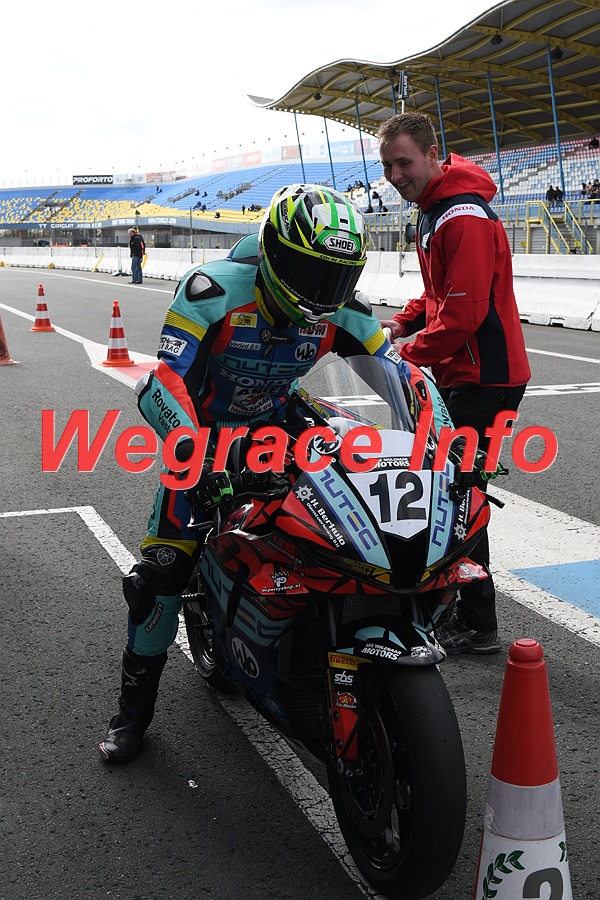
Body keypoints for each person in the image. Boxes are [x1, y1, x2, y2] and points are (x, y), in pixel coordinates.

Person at [99, 183, 409, 763]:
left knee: (356, 513)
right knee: (160, 577)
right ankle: (132, 714)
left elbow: (401, 377)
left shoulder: (345, 308)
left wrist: (445, 445)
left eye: (334, 279)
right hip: (204, 434)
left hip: (281, 423)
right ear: (272, 251)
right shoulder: (212, 289)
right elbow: (161, 382)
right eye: (307, 272)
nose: (320, 292)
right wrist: (196, 457)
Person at [377, 112, 531, 656]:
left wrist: (403, 354)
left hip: (486, 379)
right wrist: (402, 324)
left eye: (404, 163)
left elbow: (463, 315)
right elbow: (437, 294)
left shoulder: (460, 215)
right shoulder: (434, 208)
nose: (395, 175)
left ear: (432, 154)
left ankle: (478, 623)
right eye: (387, 166)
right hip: (465, 374)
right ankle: (452, 605)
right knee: (448, 491)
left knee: (459, 499)